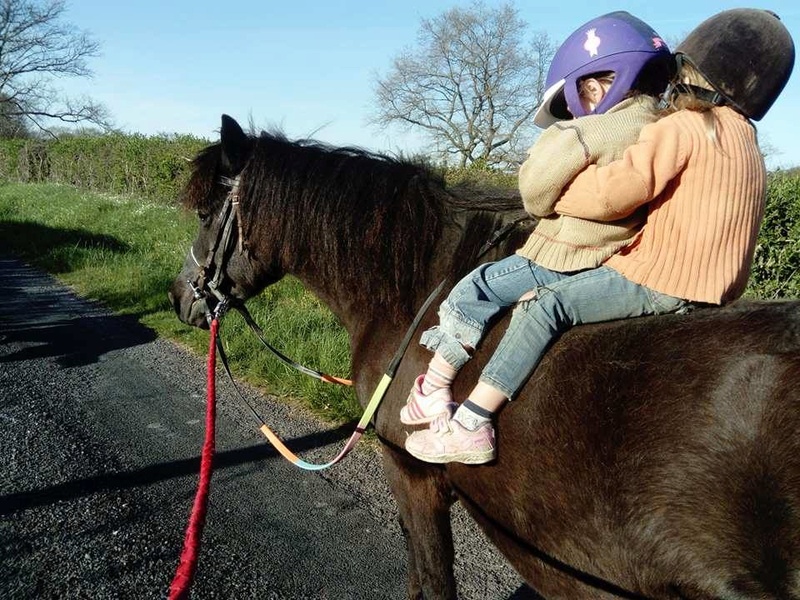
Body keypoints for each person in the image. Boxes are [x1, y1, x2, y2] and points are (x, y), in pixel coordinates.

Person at [404, 8, 796, 465]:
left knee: (543, 304)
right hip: (721, 288)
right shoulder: (747, 142)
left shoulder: (684, 128)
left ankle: (472, 422)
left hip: (661, 277)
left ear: (693, 70)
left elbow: (614, 195)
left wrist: (560, 196)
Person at [399, 11, 674, 444]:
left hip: (563, 257)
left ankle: (434, 387)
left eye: (576, 95)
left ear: (595, 85)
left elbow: (534, 193)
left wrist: (562, 134)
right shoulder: (666, 129)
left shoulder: (588, 130)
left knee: (478, 287)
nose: (575, 106)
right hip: (612, 264)